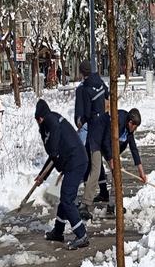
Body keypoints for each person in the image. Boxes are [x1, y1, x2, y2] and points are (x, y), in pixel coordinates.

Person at [35, 99, 90, 249]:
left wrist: (55, 162)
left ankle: (81, 234)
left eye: (39, 118)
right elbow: (53, 155)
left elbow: (53, 151)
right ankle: (58, 232)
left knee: (67, 199)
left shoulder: (52, 122)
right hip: (72, 161)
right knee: (66, 198)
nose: (39, 121)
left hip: (76, 161)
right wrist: (42, 175)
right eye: (37, 119)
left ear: (42, 116)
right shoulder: (49, 122)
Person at [75, 60, 110, 218]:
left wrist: (79, 122)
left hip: (95, 130)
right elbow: (108, 97)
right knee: (94, 162)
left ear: (82, 73)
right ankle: (103, 192)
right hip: (105, 125)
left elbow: (82, 113)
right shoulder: (101, 82)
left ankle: (85, 203)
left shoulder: (83, 89)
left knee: (94, 166)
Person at [99, 107, 147, 188]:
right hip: (98, 140)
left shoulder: (129, 130)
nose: (135, 129)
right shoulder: (118, 122)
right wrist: (111, 159)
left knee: (116, 171)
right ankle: (90, 198)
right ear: (130, 123)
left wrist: (141, 172)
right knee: (95, 170)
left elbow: (133, 149)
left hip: (111, 146)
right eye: (135, 127)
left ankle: (117, 193)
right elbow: (105, 141)